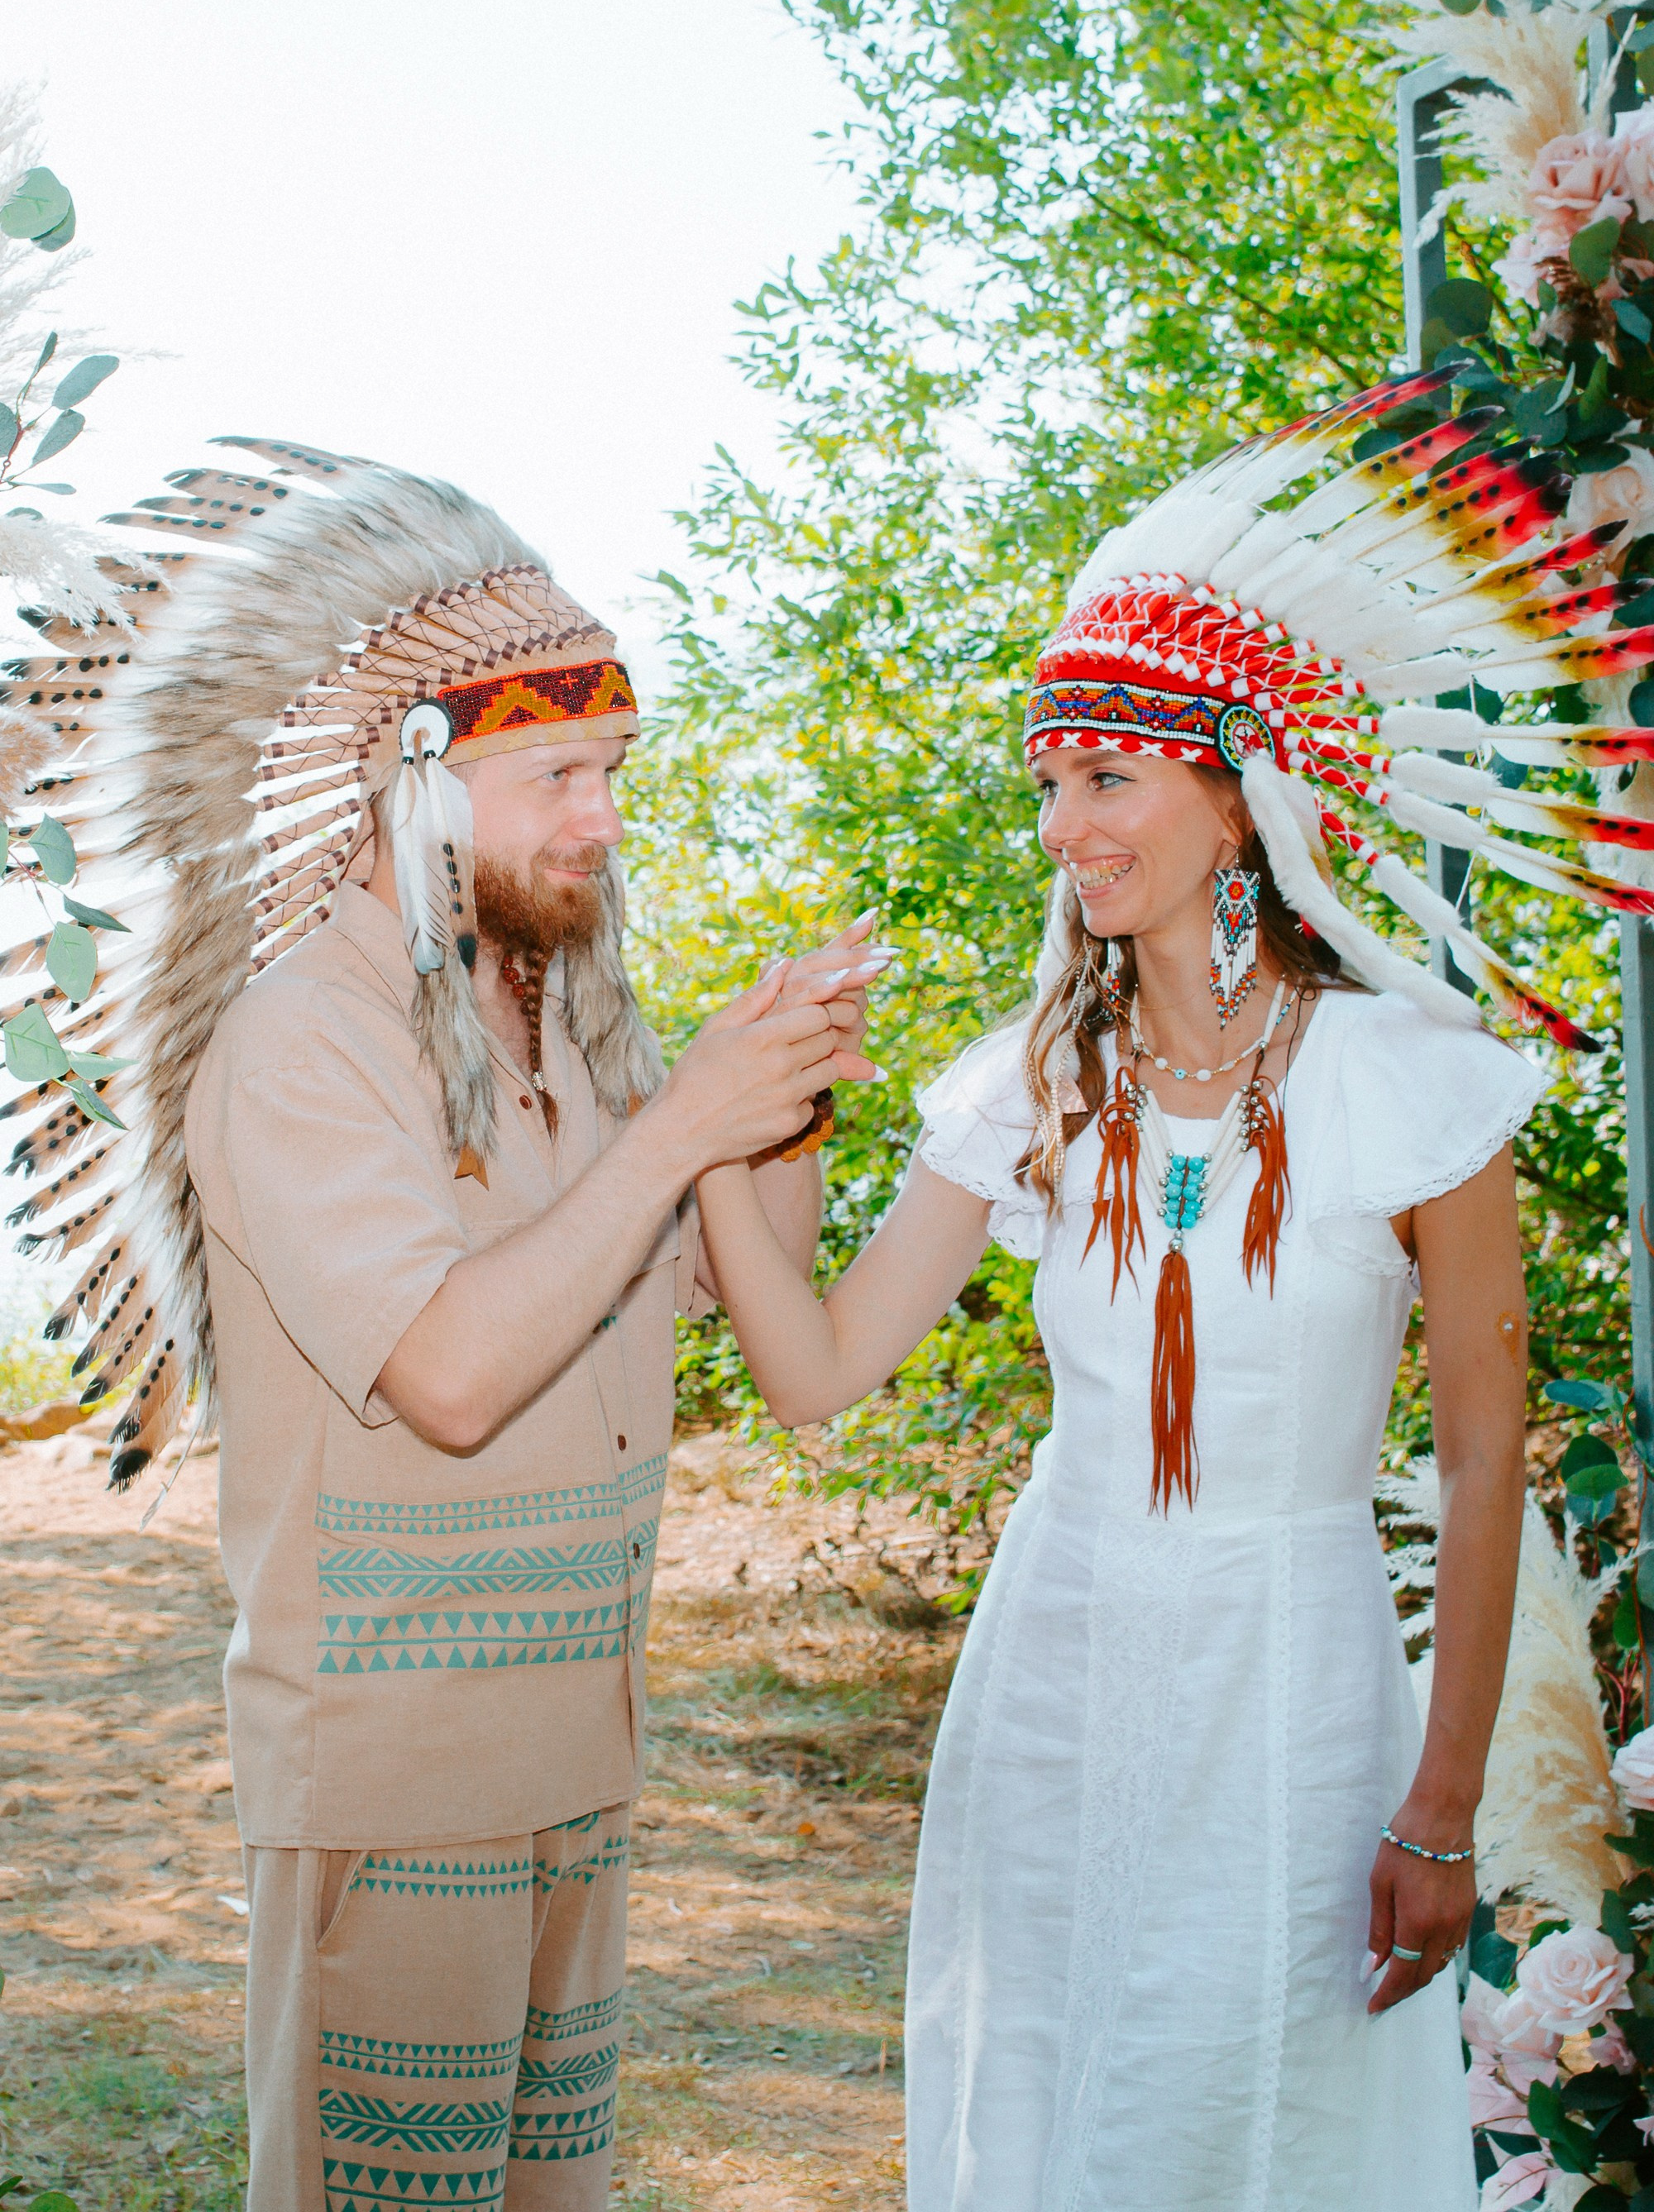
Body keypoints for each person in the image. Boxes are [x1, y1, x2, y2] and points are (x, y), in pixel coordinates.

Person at [694, 375, 1654, 2209]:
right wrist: (725, 1133)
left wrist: (1443, 1805)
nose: (1065, 823)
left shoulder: (1412, 1089)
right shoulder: (1026, 1088)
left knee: (1257, 2114)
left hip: (1297, 1685)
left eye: (1105, 776)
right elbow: (817, 1372)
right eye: (1050, 783)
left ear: (1234, 794)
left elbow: (1481, 1464)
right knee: (1057, 2108)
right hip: (1055, 1669)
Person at [6, 439, 882, 2210]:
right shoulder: (303, 1042)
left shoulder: (572, 1026)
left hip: (578, 1757)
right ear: (413, 784)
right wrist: (681, 1127)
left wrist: (774, 1110)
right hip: (397, 1785)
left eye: (613, 770)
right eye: (555, 772)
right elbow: (456, 1377)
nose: (602, 817)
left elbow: (740, 1291)